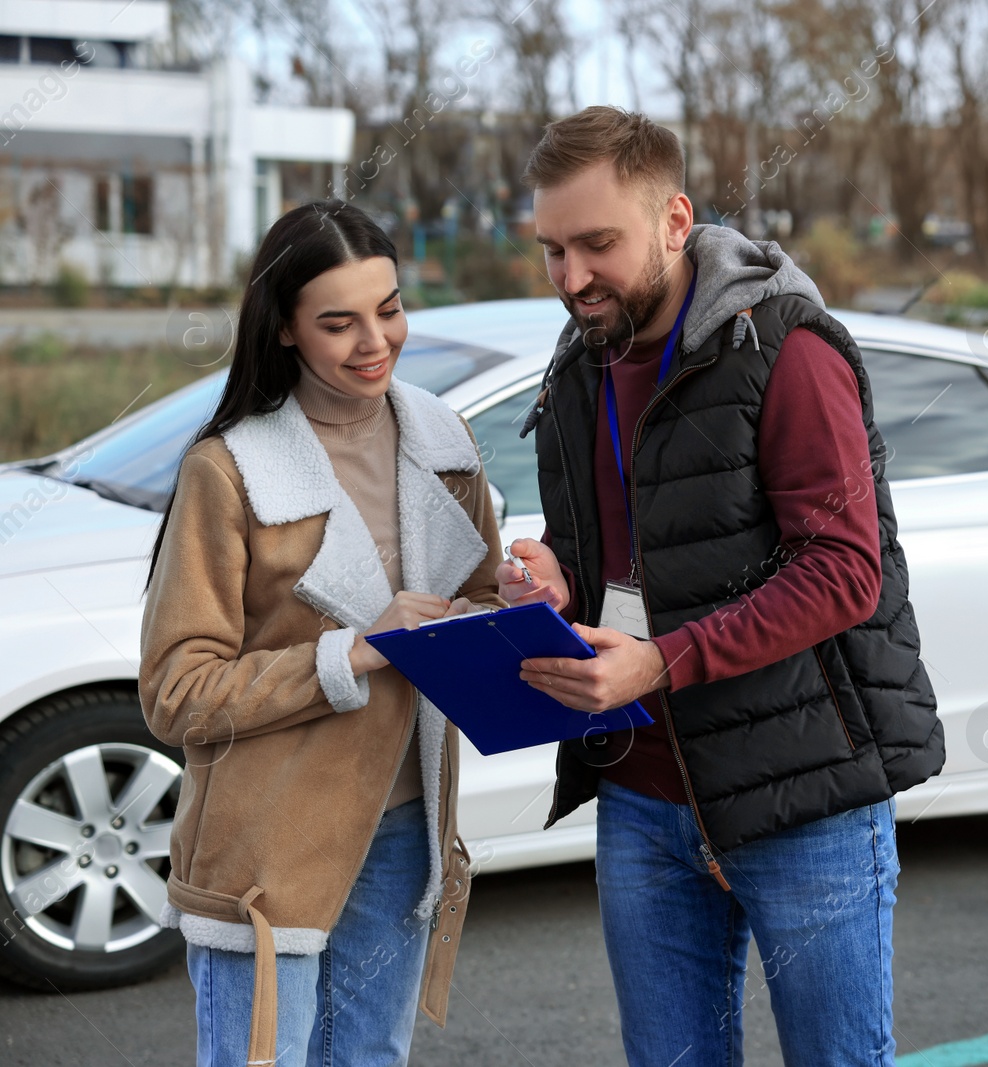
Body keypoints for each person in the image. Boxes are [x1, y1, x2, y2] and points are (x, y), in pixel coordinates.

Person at [497, 106, 945, 1065]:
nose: (571, 278)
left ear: (674, 219)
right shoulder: (579, 364)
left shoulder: (783, 346)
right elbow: (614, 552)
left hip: (803, 797)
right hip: (645, 794)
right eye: (551, 250)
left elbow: (842, 572)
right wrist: (552, 577)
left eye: (597, 244)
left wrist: (660, 661)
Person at [140, 200, 504, 1067]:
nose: (374, 340)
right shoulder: (228, 471)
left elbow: (480, 599)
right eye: (338, 322)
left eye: (389, 308)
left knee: (371, 1057)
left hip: (407, 823)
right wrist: (351, 650)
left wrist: (508, 608)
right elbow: (174, 692)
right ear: (288, 332)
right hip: (267, 848)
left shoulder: (443, 440)